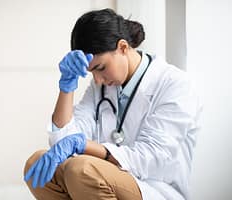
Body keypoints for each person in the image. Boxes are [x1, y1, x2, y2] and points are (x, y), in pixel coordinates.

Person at [24, 8, 202, 200]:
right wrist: (67, 86)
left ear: (123, 47)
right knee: (37, 163)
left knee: (82, 170)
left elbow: (151, 159)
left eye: (100, 68)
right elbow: (62, 143)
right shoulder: (101, 87)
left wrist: (83, 145)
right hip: (108, 179)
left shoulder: (174, 84)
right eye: (92, 72)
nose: (98, 80)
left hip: (155, 189)